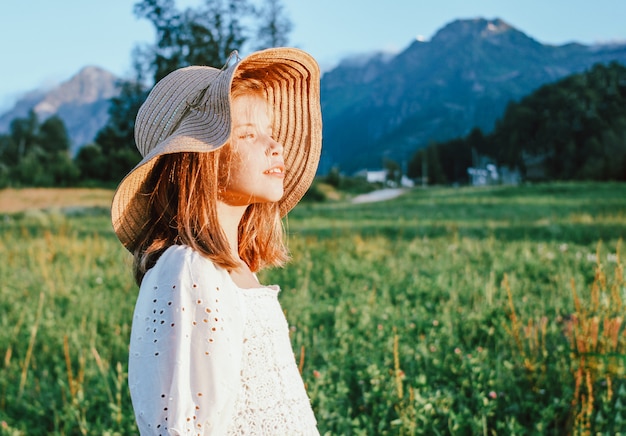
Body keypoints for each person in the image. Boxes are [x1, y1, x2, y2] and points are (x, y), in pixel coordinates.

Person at [110, 47, 322, 435]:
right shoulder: (188, 268)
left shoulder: (232, 267)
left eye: (272, 133)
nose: (274, 146)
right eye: (248, 134)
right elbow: (181, 426)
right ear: (200, 158)